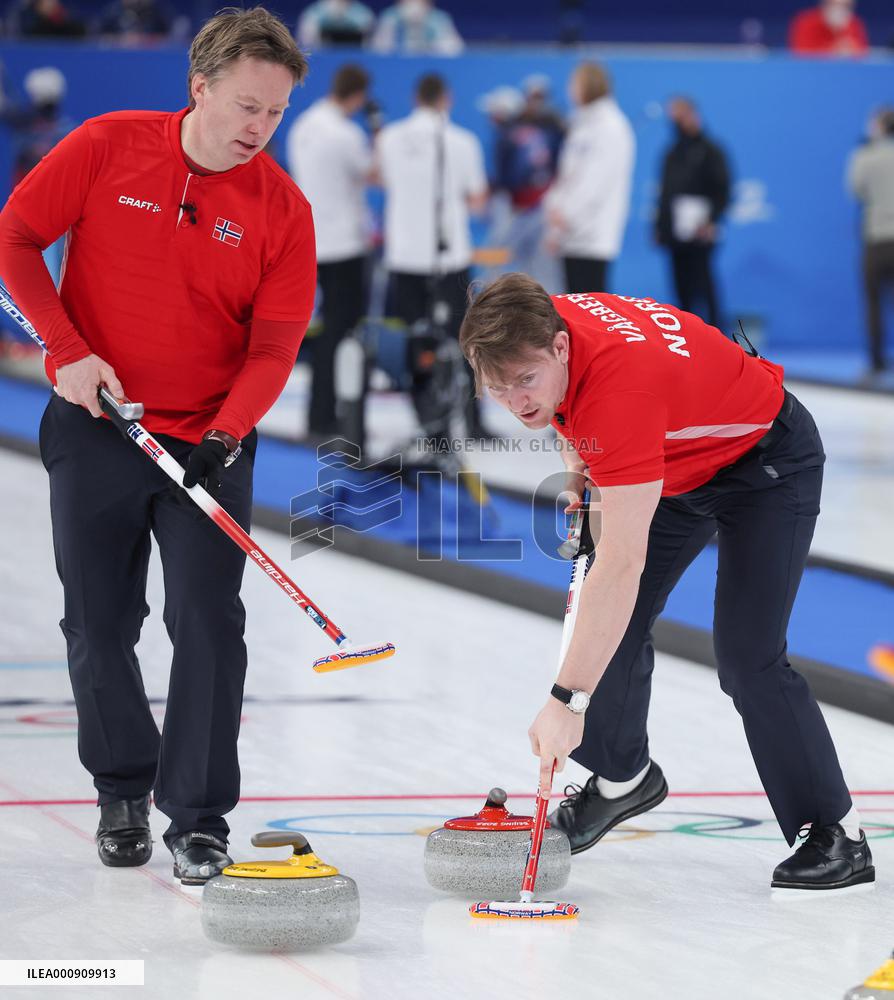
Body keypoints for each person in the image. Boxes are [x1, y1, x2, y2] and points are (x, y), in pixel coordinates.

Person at [0, 7, 316, 885]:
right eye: (247, 106)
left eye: (275, 114)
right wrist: (65, 351)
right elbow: (15, 240)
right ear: (200, 87)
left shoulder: (284, 210)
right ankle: (121, 790)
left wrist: (227, 432)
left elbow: (273, 347)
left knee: (208, 624)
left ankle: (202, 817)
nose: (259, 129)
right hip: (96, 425)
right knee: (99, 621)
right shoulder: (107, 147)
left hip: (208, 446)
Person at [458, 272, 873, 892]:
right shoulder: (544, 319)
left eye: (526, 382)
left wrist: (566, 703)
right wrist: (581, 465)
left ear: (560, 347)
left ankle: (838, 831)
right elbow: (566, 409)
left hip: (766, 463)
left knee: (748, 658)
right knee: (607, 631)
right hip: (673, 463)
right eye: (497, 387)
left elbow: (620, 565)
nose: (516, 402)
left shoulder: (619, 392)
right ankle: (623, 779)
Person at [376, 72, 488, 437]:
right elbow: (477, 200)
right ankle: (473, 422)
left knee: (413, 339)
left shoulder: (389, 138)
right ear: (446, 98)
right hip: (450, 257)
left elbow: (379, 179)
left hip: (405, 256)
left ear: (415, 98)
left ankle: (427, 422)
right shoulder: (463, 141)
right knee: (466, 337)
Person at [287, 64, 373, 436]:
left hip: (311, 241)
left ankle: (317, 412)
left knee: (322, 331)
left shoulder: (303, 125)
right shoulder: (347, 133)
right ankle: (335, 415)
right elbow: (372, 173)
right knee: (345, 334)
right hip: (344, 245)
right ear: (357, 96)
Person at [543, 62, 634, 295]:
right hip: (569, 236)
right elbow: (567, 176)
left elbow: (594, 183)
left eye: (574, 84)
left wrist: (567, 216)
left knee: (591, 308)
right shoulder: (582, 124)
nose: (570, 90)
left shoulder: (610, 127)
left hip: (591, 236)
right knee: (570, 306)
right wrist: (554, 212)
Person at [655, 96, 731, 329]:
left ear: (692, 114)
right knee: (681, 288)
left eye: (679, 115)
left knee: (705, 285)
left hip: (701, 231)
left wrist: (711, 221)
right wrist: (661, 227)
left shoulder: (711, 151)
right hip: (676, 235)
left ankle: (717, 336)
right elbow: (665, 194)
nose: (675, 121)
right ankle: (687, 337)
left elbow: (723, 190)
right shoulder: (672, 152)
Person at [848, 107, 894, 380]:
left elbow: (855, 188)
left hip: (877, 236)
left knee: (874, 301)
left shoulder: (865, 155)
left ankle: (877, 362)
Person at [371, 0, 464, 55]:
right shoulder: (389, 17)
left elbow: (455, 49)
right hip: (395, 69)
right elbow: (377, 48)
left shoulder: (440, 19)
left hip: (430, 68)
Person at [789, 0, 869, 55]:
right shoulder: (806, 22)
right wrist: (832, 50)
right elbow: (801, 54)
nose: (839, 10)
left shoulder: (854, 24)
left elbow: (862, 53)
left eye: (845, 6)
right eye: (834, 4)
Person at [297, 0, 375, 48]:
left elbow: (370, 44)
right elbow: (306, 44)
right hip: (322, 60)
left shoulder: (363, 13)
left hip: (355, 59)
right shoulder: (313, 13)